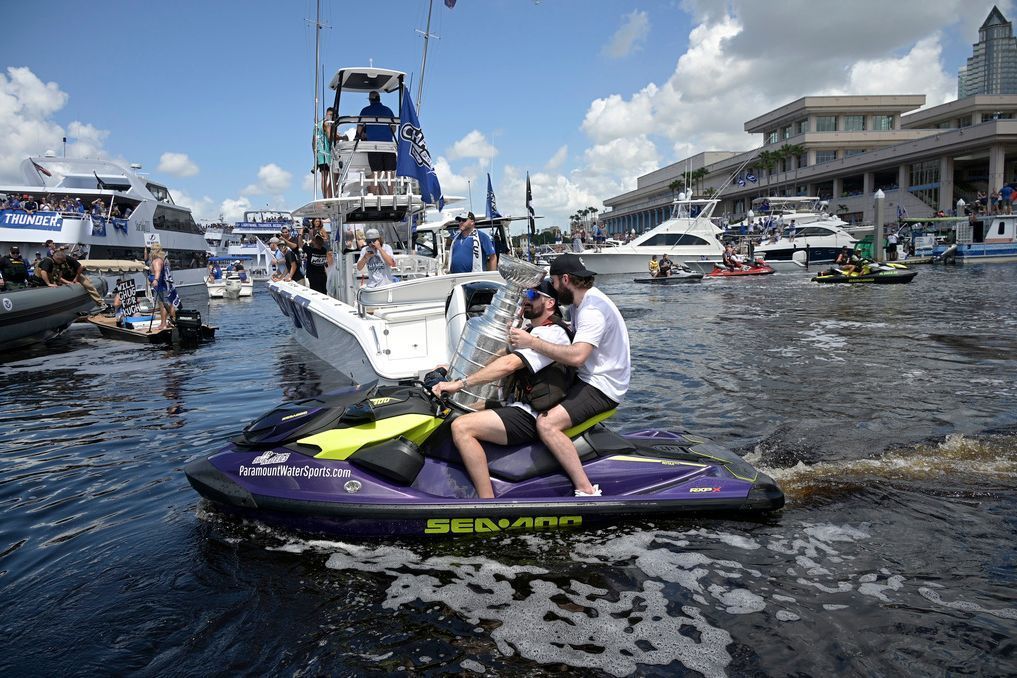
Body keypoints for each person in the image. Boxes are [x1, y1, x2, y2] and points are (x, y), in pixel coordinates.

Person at [431, 280, 573, 498]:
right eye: (526, 294)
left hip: (532, 413)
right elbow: (498, 358)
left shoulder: (552, 334)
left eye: (533, 296)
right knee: (457, 410)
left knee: (462, 427)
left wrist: (460, 384)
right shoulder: (530, 331)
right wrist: (452, 371)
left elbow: (508, 365)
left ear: (550, 303)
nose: (526, 299)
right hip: (516, 404)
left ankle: (486, 501)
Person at [508, 254, 631, 497]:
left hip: (602, 385)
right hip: (590, 377)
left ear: (565, 280)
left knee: (547, 424)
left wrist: (531, 342)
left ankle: (585, 489)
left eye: (553, 283)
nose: (553, 289)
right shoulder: (580, 304)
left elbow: (577, 357)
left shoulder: (592, 309)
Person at [357, 91, 397, 195]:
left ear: (370, 100)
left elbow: (359, 129)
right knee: (390, 171)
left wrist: (364, 136)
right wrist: (387, 135)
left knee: (375, 171)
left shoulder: (365, 111)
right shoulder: (388, 110)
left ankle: (374, 195)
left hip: (373, 145)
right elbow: (394, 127)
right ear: (379, 99)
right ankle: (391, 194)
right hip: (388, 145)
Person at [34, 249, 105, 306]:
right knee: (57, 286)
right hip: (64, 277)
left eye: (63, 261)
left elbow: (80, 267)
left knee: (88, 285)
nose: (63, 262)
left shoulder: (68, 259)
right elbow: (58, 274)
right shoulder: (52, 262)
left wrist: (76, 278)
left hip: (75, 275)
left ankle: (100, 302)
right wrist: (66, 282)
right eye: (61, 261)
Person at [148, 245, 178, 330]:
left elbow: (157, 272)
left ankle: (164, 324)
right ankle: (172, 321)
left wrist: (155, 280)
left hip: (161, 286)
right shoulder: (163, 260)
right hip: (166, 285)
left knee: (163, 305)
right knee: (169, 304)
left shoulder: (156, 261)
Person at [314, 107, 335, 199]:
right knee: (332, 175)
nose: (331, 117)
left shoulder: (317, 125)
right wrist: (342, 138)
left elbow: (313, 142)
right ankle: (329, 196)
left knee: (324, 176)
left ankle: (325, 197)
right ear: (327, 114)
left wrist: (315, 157)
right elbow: (330, 137)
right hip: (327, 153)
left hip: (320, 153)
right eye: (331, 115)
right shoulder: (327, 123)